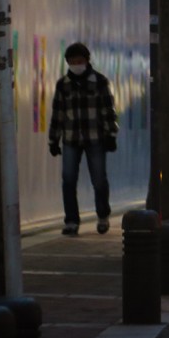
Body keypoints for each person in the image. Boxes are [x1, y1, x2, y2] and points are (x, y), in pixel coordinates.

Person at [48, 42, 118, 235]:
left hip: (96, 138)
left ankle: (102, 215)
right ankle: (71, 221)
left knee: (99, 180)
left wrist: (111, 134)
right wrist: (53, 140)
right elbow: (58, 115)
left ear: (87, 61)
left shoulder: (99, 82)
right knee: (68, 180)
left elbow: (108, 110)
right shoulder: (63, 85)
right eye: (72, 62)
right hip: (71, 139)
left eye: (79, 61)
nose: (76, 65)